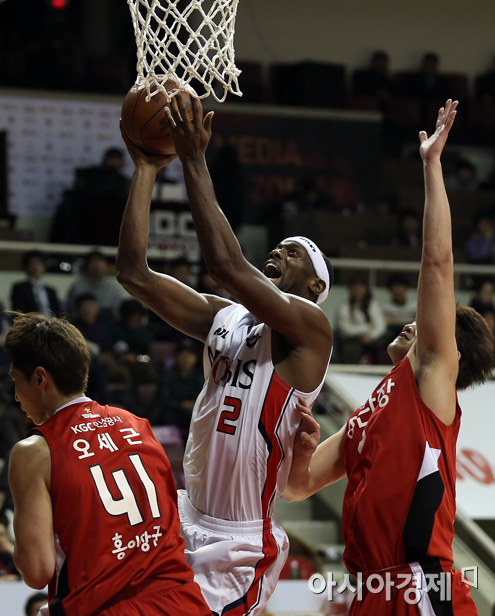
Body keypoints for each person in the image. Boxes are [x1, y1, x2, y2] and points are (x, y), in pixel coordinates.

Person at [116, 94, 333, 616]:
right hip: (184, 516)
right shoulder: (226, 316)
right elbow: (134, 274)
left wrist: (194, 159)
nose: (278, 252)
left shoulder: (311, 329)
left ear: (315, 285)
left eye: (294, 252)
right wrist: (146, 169)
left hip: (238, 542)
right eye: (278, 247)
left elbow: (226, 266)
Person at [285, 101, 495, 615]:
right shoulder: (370, 412)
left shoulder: (431, 381)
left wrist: (431, 167)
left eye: (430, 324)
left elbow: (437, 263)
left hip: (421, 585)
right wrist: (298, 446)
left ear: (450, 351)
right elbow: (298, 487)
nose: (414, 322)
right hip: (370, 591)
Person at [6, 312, 212, 616]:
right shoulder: (137, 424)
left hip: (106, 607)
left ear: (40, 378)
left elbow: (37, 571)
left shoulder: (34, 451)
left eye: (15, 381)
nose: (15, 395)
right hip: (184, 602)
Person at [336, 273, 386, 364]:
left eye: (361, 287)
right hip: (352, 340)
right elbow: (345, 329)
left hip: (372, 339)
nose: (358, 290)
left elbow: (380, 326)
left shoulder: (373, 305)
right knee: (350, 347)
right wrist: (367, 327)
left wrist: (371, 336)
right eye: (355, 287)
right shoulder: (345, 307)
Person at [67, 251, 123, 319]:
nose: (97, 265)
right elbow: (71, 311)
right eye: (93, 262)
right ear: (87, 266)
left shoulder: (113, 289)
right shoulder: (77, 287)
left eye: (100, 261)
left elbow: (117, 314)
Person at [11, 251, 60, 317]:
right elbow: (18, 311)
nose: (35, 267)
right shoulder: (20, 288)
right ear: (27, 267)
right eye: (32, 264)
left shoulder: (51, 291)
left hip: (50, 322)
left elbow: (57, 312)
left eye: (38, 264)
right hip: (30, 321)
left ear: (43, 267)